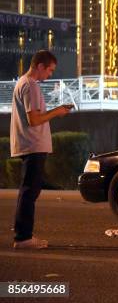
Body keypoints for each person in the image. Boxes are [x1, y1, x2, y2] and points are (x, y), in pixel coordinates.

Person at [10, 50, 72, 249]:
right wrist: (57, 112)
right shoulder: (31, 86)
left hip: (28, 144)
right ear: (40, 66)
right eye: (50, 70)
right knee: (29, 191)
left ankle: (23, 235)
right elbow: (34, 119)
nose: (50, 75)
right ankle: (23, 237)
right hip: (32, 145)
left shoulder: (23, 83)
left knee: (28, 191)